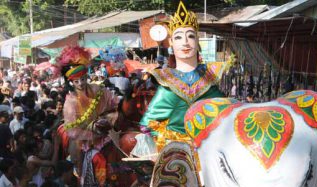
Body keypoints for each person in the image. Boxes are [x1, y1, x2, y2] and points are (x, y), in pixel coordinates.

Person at [139, 1, 227, 151]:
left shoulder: (210, 77)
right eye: (179, 37)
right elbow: (147, 124)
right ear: (171, 42)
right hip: (176, 153)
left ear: (197, 40)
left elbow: (227, 115)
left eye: (191, 36)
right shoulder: (167, 81)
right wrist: (166, 141)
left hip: (209, 150)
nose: (185, 43)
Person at [55, 46, 118, 141]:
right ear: (72, 82)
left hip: (104, 132)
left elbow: (113, 103)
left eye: (83, 79)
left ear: (86, 77)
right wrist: (91, 131)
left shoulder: (96, 89)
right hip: (84, 139)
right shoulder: (70, 101)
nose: (80, 83)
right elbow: (72, 131)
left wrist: (106, 119)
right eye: (76, 81)